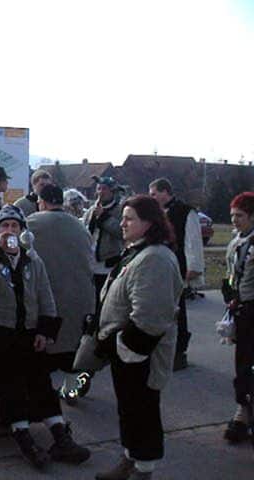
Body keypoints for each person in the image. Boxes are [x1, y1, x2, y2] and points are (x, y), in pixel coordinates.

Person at [0, 204, 90, 470]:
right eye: (4, 226)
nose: (9, 231)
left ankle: (60, 435)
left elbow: (45, 295)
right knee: (10, 382)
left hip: (28, 330)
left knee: (40, 380)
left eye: (14, 226)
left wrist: (45, 330)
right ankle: (23, 437)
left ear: (22, 231)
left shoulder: (33, 260)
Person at [95, 195, 183, 480]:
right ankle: (130, 459)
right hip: (127, 352)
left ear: (149, 223)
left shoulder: (155, 258)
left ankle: (143, 470)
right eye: (123, 217)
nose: (122, 223)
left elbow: (150, 318)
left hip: (140, 354)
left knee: (143, 412)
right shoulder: (138, 251)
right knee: (130, 410)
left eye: (129, 218)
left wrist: (119, 344)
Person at [27, 185, 96, 402]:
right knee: (73, 351)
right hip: (79, 295)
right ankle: (72, 391)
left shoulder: (32, 223)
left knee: (43, 350)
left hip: (48, 295)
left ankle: (42, 396)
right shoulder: (80, 226)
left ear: (42, 202)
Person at [149, 178, 204, 371]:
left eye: (154, 194)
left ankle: (179, 351)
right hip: (160, 267)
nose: (152, 197)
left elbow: (192, 240)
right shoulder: (155, 213)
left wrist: (193, 267)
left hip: (178, 266)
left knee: (177, 311)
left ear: (165, 192)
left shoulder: (185, 211)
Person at [221, 192, 254, 444]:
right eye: (232, 215)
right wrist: (230, 291)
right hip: (241, 310)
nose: (234, 220)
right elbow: (232, 272)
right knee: (242, 364)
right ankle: (243, 410)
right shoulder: (236, 242)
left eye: (240, 215)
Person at [82, 176, 124, 309]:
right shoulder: (91, 210)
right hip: (90, 262)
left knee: (105, 299)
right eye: (99, 189)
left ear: (112, 191)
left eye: (104, 189)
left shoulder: (120, 211)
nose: (100, 192)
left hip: (108, 263)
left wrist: (103, 217)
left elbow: (121, 232)